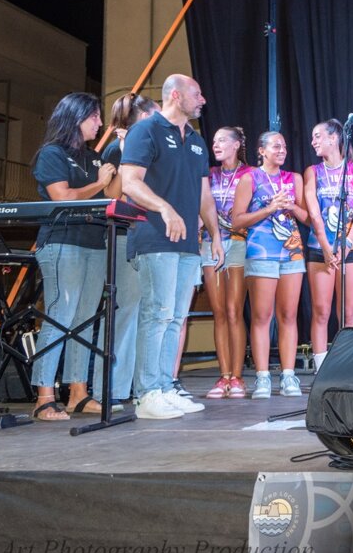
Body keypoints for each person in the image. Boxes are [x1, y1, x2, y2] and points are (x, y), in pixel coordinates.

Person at [120, 75, 221, 420]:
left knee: (176, 318)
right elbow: (129, 182)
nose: (203, 99)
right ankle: (147, 394)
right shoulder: (145, 131)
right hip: (154, 237)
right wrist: (164, 208)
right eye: (197, 93)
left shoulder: (196, 140)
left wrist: (215, 234)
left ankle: (164, 388)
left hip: (189, 244)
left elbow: (205, 195)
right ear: (176, 96)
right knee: (157, 314)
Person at [29, 92, 119, 421]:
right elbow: (63, 197)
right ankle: (44, 397)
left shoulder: (94, 157)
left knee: (83, 321)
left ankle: (78, 394)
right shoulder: (52, 154)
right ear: (76, 117)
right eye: (94, 116)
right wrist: (99, 183)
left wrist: (122, 160)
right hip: (62, 242)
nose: (100, 123)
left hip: (94, 243)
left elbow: (111, 195)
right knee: (60, 317)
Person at [91, 92, 159, 409]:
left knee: (144, 312)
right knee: (124, 312)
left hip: (147, 235)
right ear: (143, 117)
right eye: (155, 114)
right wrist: (123, 150)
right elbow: (113, 195)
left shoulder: (150, 145)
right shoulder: (115, 148)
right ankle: (109, 388)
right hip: (121, 236)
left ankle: (133, 385)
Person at [231, 131, 309, 399]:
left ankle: (288, 375)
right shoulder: (250, 178)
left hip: (291, 252)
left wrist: (291, 207)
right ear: (261, 150)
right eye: (276, 146)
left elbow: (307, 218)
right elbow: (237, 221)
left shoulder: (294, 178)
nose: (282, 150)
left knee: (288, 315)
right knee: (262, 316)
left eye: (284, 146)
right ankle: (262, 376)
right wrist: (269, 208)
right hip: (261, 251)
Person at [303, 119, 353, 372]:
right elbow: (314, 213)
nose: (313, 142)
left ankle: (347, 365)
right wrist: (325, 245)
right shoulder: (312, 172)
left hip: (349, 249)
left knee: (348, 313)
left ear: (334, 138)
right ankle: (321, 369)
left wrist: (347, 243)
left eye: (317, 136)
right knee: (321, 311)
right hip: (320, 249)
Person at [200, 126, 252, 398]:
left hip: (239, 243)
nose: (216, 144)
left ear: (236, 145)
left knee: (234, 310)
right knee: (219, 311)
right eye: (214, 141)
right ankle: (224, 376)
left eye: (222, 140)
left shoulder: (250, 174)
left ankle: (238, 376)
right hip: (211, 243)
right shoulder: (209, 174)